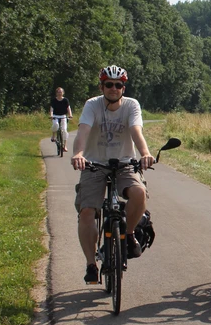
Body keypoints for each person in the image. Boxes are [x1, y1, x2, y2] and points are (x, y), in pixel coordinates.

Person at [68, 65, 155, 284]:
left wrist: (145, 153)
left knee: (139, 193)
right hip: (94, 164)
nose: (114, 89)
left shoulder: (131, 105)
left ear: (123, 87)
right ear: (101, 86)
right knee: (87, 211)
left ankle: (128, 234)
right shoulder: (92, 105)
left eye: (118, 85)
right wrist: (78, 153)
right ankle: (91, 264)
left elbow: (136, 131)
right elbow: (83, 132)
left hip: (124, 163)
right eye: (109, 84)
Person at [49, 87, 73, 152]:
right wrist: (51, 115)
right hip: (55, 116)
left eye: (61, 92)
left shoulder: (65, 100)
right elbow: (51, 109)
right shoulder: (54, 100)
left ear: (63, 93)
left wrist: (70, 115)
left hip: (63, 116)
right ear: (56, 93)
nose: (60, 93)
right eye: (58, 92)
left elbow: (68, 108)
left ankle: (64, 146)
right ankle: (53, 136)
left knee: (64, 130)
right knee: (55, 125)